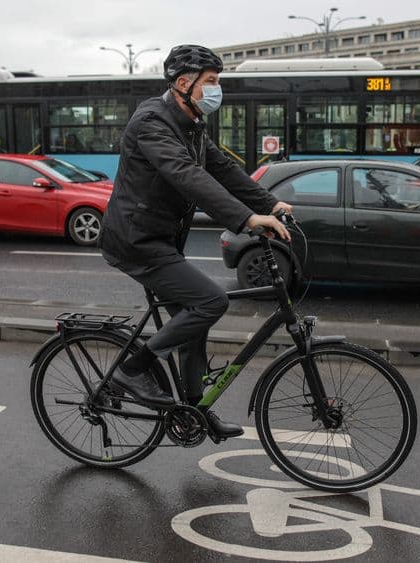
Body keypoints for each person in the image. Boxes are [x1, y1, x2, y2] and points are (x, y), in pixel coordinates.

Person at [98, 44, 292, 439]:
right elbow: (186, 175)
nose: (217, 90)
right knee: (210, 301)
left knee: (193, 322)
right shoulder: (151, 122)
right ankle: (130, 371)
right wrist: (246, 218)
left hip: (162, 239)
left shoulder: (193, 124)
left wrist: (270, 203)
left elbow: (222, 170)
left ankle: (195, 409)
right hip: (135, 241)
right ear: (184, 83)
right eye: (212, 82)